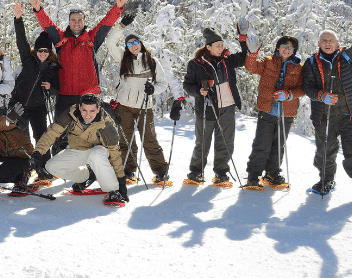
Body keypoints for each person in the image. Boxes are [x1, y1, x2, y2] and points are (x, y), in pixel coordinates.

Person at [302, 9, 352, 202]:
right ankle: (326, 181)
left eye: (331, 41)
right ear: (319, 44)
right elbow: (307, 87)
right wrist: (320, 95)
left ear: (337, 44)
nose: (327, 44)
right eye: (324, 41)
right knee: (324, 151)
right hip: (323, 116)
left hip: (349, 114)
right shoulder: (310, 62)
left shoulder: (347, 57)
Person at [30, 0, 127, 114]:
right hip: (65, 96)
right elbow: (48, 25)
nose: (76, 23)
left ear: (84, 22)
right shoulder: (61, 38)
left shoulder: (91, 38)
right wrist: (38, 9)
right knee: (61, 130)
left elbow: (106, 24)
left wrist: (117, 8)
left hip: (88, 97)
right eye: (73, 20)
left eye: (79, 20)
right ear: (69, 22)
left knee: (89, 131)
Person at [106, 17, 172, 187]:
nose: (133, 45)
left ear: (141, 43)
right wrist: (120, 27)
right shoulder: (123, 58)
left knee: (149, 139)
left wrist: (153, 89)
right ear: (126, 47)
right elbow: (110, 43)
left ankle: (161, 172)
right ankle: (128, 171)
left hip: (145, 107)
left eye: (136, 42)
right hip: (124, 106)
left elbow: (163, 84)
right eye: (129, 44)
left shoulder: (152, 61)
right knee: (125, 139)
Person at [182, 26, 250, 187]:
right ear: (208, 47)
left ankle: (221, 172)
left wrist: (243, 40)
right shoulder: (196, 64)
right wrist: (198, 91)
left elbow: (245, 57)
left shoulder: (228, 61)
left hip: (227, 106)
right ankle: (196, 171)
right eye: (218, 45)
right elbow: (187, 84)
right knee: (202, 142)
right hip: (207, 107)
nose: (221, 48)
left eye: (222, 45)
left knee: (226, 142)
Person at [32, 93, 129, 207]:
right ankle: (87, 175)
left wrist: (121, 184)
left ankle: (112, 190)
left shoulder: (106, 124)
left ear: (98, 109)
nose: (88, 115)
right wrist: (38, 152)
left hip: (99, 152)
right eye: (84, 110)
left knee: (95, 154)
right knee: (51, 166)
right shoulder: (71, 114)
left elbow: (115, 154)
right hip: (78, 149)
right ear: (79, 107)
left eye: (92, 111)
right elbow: (53, 132)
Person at [241, 35, 304, 190]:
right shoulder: (268, 61)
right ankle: (253, 175)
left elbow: (303, 89)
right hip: (267, 109)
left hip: (286, 112)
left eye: (290, 48)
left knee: (278, 145)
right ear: (278, 47)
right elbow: (251, 67)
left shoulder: (300, 67)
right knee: (261, 143)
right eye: (284, 46)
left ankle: (272, 173)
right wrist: (252, 54)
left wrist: (289, 94)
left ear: (294, 51)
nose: (287, 50)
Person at [11, 2, 59, 142]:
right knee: (20, 137)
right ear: (35, 50)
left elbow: (58, 88)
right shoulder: (28, 60)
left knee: (41, 137)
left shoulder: (53, 67)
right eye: (40, 50)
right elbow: (21, 41)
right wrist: (18, 19)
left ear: (49, 52)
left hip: (39, 107)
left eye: (46, 50)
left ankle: (42, 163)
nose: (43, 53)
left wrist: (51, 88)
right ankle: (23, 162)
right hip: (20, 104)